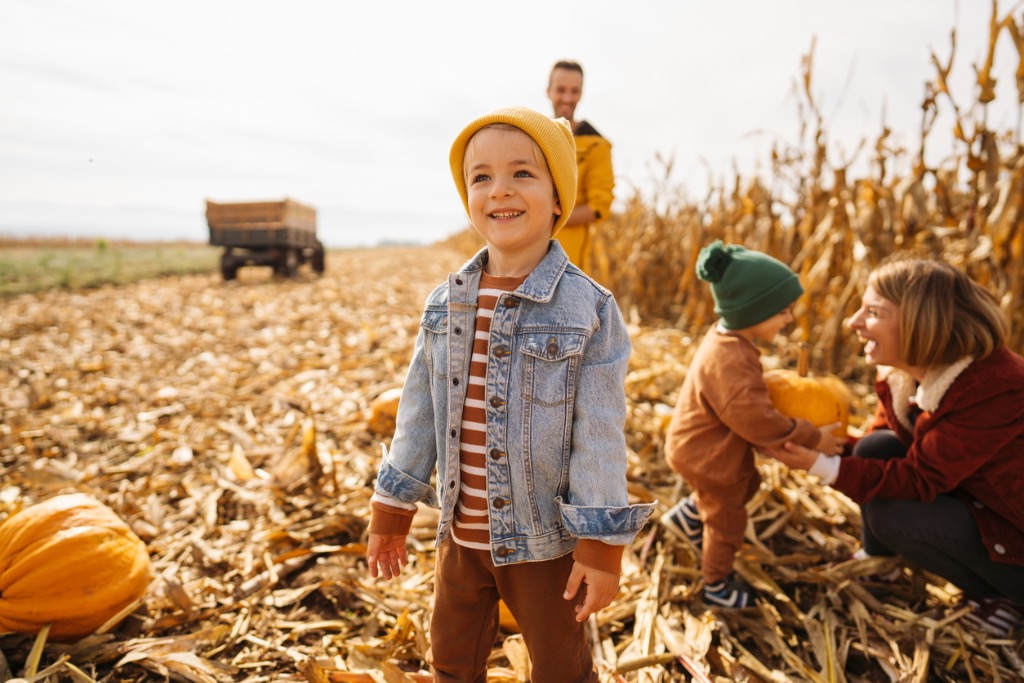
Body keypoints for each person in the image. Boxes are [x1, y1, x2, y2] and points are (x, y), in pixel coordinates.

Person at [366, 105, 655, 682]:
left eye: (522, 173)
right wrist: (392, 508)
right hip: (460, 536)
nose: (500, 189)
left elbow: (598, 432)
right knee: (451, 661)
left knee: (559, 668)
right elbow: (419, 416)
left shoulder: (589, 310)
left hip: (544, 545)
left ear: (557, 199)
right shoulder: (445, 304)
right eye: (481, 177)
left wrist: (600, 546)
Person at [768, 254, 1024, 638]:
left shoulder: (992, 387)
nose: (853, 322)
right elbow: (879, 449)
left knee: (893, 515)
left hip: (1015, 537)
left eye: (872, 312)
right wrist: (812, 443)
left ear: (923, 320)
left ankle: (1001, 596)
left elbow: (921, 478)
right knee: (875, 447)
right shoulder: (909, 377)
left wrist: (820, 466)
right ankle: (880, 563)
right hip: (983, 505)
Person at [660, 241, 844, 608]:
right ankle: (716, 585)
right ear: (752, 311)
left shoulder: (728, 341)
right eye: (782, 312)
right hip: (708, 457)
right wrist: (811, 437)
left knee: (748, 483)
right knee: (727, 521)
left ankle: (689, 515)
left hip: (699, 447)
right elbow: (756, 421)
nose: (789, 319)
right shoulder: (731, 360)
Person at [546, 60, 615, 277]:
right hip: (524, 260)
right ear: (549, 91)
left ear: (581, 94)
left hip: (568, 265)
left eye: (574, 91)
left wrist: (542, 217)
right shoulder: (534, 138)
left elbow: (598, 207)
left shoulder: (597, 145)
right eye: (561, 90)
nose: (567, 98)